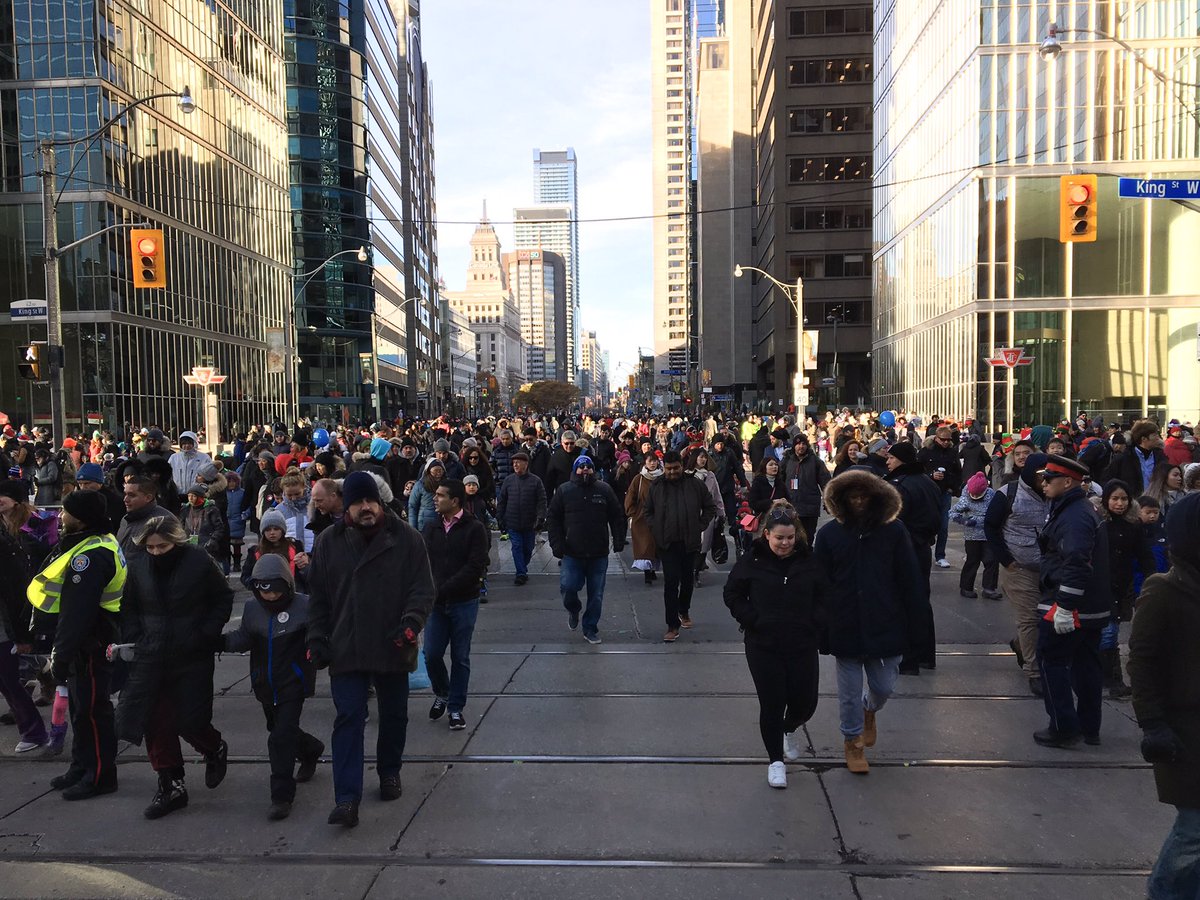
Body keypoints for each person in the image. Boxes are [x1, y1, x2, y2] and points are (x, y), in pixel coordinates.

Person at [306, 471, 435, 828]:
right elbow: (318, 598)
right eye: (358, 503)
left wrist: (410, 623)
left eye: (371, 502)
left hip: (392, 643)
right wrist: (316, 638)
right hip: (346, 646)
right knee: (348, 718)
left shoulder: (407, 539)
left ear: (380, 502)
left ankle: (389, 770)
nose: (366, 508)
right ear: (346, 507)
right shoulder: (329, 542)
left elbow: (423, 589)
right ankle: (346, 797)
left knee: (393, 715)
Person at [116, 516, 234, 818]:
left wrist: (206, 632)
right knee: (155, 721)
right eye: (151, 547)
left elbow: (222, 597)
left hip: (191, 652)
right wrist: (133, 637)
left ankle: (213, 747)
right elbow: (128, 604)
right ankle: (170, 784)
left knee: (190, 719)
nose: (156, 552)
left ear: (176, 542)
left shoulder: (198, 561)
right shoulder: (138, 563)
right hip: (150, 653)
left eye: (163, 546)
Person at [814, 470, 926, 774]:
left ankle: (869, 709)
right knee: (847, 691)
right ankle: (852, 741)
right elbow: (819, 583)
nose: (859, 501)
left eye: (864, 496)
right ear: (842, 500)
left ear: (876, 498)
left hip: (885, 619)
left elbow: (909, 578)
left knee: (884, 685)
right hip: (844, 621)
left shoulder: (894, 531)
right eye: (853, 497)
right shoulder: (828, 535)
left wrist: (916, 623)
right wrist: (820, 624)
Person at [25, 491, 125, 793]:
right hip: (86, 642)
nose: (60, 516)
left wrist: (62, 653)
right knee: (80, 710)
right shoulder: (93, 542)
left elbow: (77, 612)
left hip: (90, 644)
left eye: (65, 512)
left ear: (80, 519)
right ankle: (81, 766)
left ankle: (99, 776)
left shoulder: (90, 556)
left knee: (92, 713)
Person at [1127, 492, 1200, 900]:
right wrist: (1152, 723)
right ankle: (1164, 891)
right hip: (1186, 730)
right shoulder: (1164, 589)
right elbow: (1142, 662)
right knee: (1194, 828)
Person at [723, 502, 826, 789]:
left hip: (802, 643)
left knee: (806, 702)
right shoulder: (752, 561)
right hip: (763, 644)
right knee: (772, 702)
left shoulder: (809, 561)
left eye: (790, 537)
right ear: (766, 535)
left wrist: (815, 622)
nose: (785, 543)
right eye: (779, 537)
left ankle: (789, 727)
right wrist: (753, 619)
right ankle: (775, 761)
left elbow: (825, 595)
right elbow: (732, 593)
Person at [218, 553, 323, 820]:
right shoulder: (253, 609)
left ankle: (281, 795)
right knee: (277, 728)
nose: (271, 597)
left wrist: (317, 649)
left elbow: (319, 634)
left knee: (280, 738)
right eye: (264, 591)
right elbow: (243, 638)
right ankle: (310, 748)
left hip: (293, 682)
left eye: (276, 591)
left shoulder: (304, 606)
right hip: (264, 682)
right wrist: (217, 643)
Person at [1033, 455, 1111, 748]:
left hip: (1069, 607)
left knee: (1052, 662)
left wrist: (1065, 606)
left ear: (1067, 482)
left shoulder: (1074, 514)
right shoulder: (1076, 509)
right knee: (1086, 666)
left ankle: (1063, 727)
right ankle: (1090, 728)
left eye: (1049, 479)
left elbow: (1077, 561)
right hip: (1088, 606)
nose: (1044, 483)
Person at [421, 479, 489, 730]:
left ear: (455, 501)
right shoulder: (431, 527)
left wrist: (443, 588)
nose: (435, 498)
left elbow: (475, 566)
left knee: (460, 656)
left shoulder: (474, 528)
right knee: (431, 654)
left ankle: (456, 708)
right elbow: (422, 560)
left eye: (440, 495)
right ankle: (443, 691)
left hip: (463, 602)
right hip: (436, 605)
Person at [984, 454, 1050, 697]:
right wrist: (1007, 560)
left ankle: (1021, 645)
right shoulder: (1008, 493)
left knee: (1046, 620)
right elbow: (990, 526)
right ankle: (1034, 671)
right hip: (1019, 568)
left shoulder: (1054, 494)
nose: (1044, 480)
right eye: (1040, 475)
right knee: (1030, 619)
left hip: (1051, 568)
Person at [546, 455, 626, 645]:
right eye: (580, 467)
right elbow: (553, 519)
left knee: (596, 594)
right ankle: (574, 609)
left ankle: (590, 628)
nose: (584, 470)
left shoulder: (604, 489)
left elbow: (616, 516)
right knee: (568, 587)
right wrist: (556, 544)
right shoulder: (565, 491)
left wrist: (619, 539)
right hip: (572, 551)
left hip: (598, 552)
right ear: (575, 470)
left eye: (588, 467)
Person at [643, 450, 717, 642]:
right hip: (666, 543)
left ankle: (684, 611)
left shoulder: (695, 485)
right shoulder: (657, 486)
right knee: (670, 583)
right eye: (668, 469)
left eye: (675, 468)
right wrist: (655, 528)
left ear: (681, 466)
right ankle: (672, 625)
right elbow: (648, 511)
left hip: (689, 542)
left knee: (686, 580)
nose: (672, 472)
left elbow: (710, 507)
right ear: (663, 468)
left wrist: (700, 525)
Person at [1096, 480, 1156, 700]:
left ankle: (1108, 678)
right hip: (1100, 586)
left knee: (1109, 631)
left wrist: (1151, 576)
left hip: (1122, 586)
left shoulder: (1133, 526)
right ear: (1106, 500)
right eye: (1115, 498)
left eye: (1124, 499)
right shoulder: (1099, 524)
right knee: (1108, 633)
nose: (1120, 503)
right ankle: (1112, 680)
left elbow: (1144, 554)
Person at [884, 442, 941, 673]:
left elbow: (892, 521)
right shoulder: (928, 482)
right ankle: (926, 654)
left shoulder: (899, 486)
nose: (887, 461)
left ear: (901, 460)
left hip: (904, 550)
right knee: (921, 600)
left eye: (891, 458)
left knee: (902, 602)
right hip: (922, 547)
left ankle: (908, 659)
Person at [496, 451, 546, 586]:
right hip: (512, 521)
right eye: (514, 463)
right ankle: (521, 573)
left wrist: (540, 518)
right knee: (517, 546)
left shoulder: (535, 481)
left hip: (529, 523)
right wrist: (500, 517)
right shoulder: (509, 480)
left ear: (526, 464)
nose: (515, 465)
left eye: (518, 462)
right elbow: (502, 500)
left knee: (528, 549)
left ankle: (522, 567)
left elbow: (542, 501)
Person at [917, 426, 963, 567]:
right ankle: (923, 552)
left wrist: (953, 488)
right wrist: (931, 475)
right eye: (943, 439)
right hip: (928, 493)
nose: (946, 442)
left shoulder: (952, 452)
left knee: (943, 526)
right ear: (936, 438)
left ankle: (940, 555)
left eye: (948, 439)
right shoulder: (926, 452)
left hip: (945, 492)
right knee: (926, 524)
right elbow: (917, 470)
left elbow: (958, 472)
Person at [951, 472, 1000, 599]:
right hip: (972, 535)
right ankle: (966, 587)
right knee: (973, 560)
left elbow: (997, 511)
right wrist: (963, 521)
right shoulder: (965, 496)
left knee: (991, 560)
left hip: (988, 533)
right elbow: (952, 512)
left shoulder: (991, 495)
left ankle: (989, 588)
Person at [780, 434, 830, 549]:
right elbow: (779, 480)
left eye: (803, 444)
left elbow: (826, 483)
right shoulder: (787, 460)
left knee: (808, 538)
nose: (801, 446)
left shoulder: (816, 462)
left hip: (809, 507)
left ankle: (806, 561)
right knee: (792, 537)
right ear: (794, 446)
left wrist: (828, 502)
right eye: (798, 444)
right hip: (790, 506)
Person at [116, 476, 177, 561]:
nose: (125, 499)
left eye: (132, 495)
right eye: (125, 494)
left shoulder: (164, 521)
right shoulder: (125, 520)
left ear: (148, 497)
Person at [624, 451, 662, 585]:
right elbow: (630, 497)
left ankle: (652, 569)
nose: (652, 463)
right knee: (645, 545)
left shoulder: (662, 478)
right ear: (645, 462)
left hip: (659, 516)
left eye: (654, 460)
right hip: (642, 517)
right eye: (650, 460)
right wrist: (632, 513)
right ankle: (647, 572)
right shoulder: (639, 479)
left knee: (656, 544)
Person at [1103, 420, 1166, 496]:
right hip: (1132, 503)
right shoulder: (1124, 459)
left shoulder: (1161, 457)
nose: (1158, 438)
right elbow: (1107, 481)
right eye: (1154, 435)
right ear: (1144, 439)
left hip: (1156, 502)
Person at [180, 484, 226, 566]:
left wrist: (212, 541)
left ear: (200, 497)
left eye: (193, 496)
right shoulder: (185, 509)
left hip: (207, 546)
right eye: (189, 496)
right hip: (189, 545)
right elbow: (181, 526)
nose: (190, 498)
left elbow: (219, 528)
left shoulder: (211, 509)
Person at [74, 463, 123, 534]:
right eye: (80, 484)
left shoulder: (113, 501)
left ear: (99, 483)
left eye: (87, 483)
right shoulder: (77, 501)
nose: (83, 487)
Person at [407, 458, 444, 532]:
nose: (438, 473)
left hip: (443, 524)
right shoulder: (420, 485)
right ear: (429, 471)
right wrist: (413, 528)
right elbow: (412, 507)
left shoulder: (446, 484)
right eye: (435, 471)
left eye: (440, 470)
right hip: (424, 524)